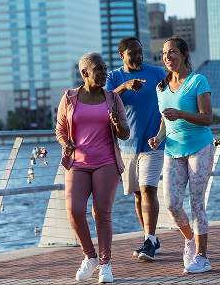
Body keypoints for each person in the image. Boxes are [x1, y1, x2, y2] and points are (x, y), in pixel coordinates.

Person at [56, 52, 129, 283]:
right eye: (99, 68)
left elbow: (125, 135)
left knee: (101, 213)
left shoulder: (112, 98)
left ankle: (106, 264)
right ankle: (91, 256)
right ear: (85, 72)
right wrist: (65, 143)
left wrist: (117, 122)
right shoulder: (69, 98)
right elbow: (60, 130)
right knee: (74, 211)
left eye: (105, 68)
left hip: (106, 162)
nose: (104, 72)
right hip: (77, 163)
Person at [148, 36, 214, 274]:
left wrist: (181, 113)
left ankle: (202, 257)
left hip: (199, 147)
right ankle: (190, 240)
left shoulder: (198, 80)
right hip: (173, 150)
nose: (167, 56)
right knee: (172, 203)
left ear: (184, 55)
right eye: (165, 53)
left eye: (173, 52)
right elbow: (167, 120)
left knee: (197, 202)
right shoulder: (161, 87)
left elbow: (207, 118)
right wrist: (159, 136)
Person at [105, 37, 167, 261]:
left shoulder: (157, 73)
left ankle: (150, 241)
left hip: (154, 142)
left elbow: (169, 98)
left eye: (140, 52)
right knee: (138, 194)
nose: (138, 56)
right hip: (126, 145)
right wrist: (125, 86)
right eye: (133, 52)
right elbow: (106, 103)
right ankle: (150, 238)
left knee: (149, 189)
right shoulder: (114, 77)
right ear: (122, 55)